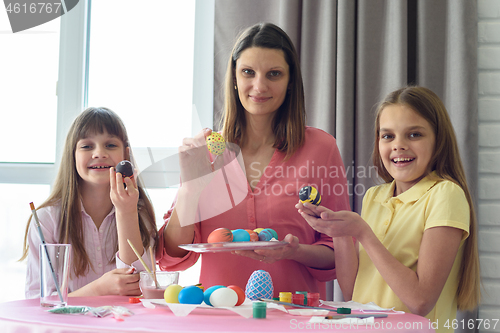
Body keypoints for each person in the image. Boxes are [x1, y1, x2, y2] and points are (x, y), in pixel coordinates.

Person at [156, 22, 350, 299]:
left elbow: (338, 254)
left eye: (274, 74)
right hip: (218, 319)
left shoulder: (321, 148)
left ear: (290, 81)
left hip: (295, 319)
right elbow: (172, 256)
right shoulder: (209, 149)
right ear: (234, 77)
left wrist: (296, 251)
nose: (259, 86)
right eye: (248, 72)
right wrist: (190, 189)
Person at [298, 86, 480, 332]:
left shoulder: (446, 195)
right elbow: (353, 291)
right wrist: (338, 232)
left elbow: (420, 301)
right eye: (388, 136)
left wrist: (364, 234)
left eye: (414, 134)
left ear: (438, 140)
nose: (399, 145)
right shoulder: (374, 196)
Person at [21, 107, 158, 298]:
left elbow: (141, 288)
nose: (99, 153)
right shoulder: (47, 220)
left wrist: (126, 212)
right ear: (72, 155)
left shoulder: (139, 213)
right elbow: (37, 299)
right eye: (87, 146)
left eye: (110, 145)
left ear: (125, 155)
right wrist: (99, 289)